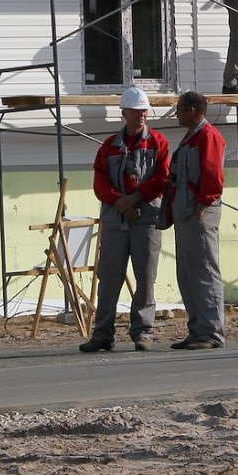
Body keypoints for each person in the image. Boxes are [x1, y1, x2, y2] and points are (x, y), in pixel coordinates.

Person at [80, 86, 170, 353]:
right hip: (116, 220)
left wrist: (135, 199)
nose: (141, 116)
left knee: (145, 277)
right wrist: (120, 202)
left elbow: (162, 178)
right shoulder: (109, 147)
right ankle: (103, 334)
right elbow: (100, 182)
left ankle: (143, 331)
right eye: (136, 112)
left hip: (146, 219)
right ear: (124, 113)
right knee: (109, 277)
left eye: (144, 111)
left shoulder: (158, 143)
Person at [167, 91, 228, 349]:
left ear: (192, 110)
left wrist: (203, 204)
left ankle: (211, 332)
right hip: (185, 213)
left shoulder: (208, 136)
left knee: (204, 271)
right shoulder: (190, 138)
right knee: (188, 273)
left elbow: (213, 175)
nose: (177, 113)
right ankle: (197, 329)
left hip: (200, 213)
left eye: (179, 109)